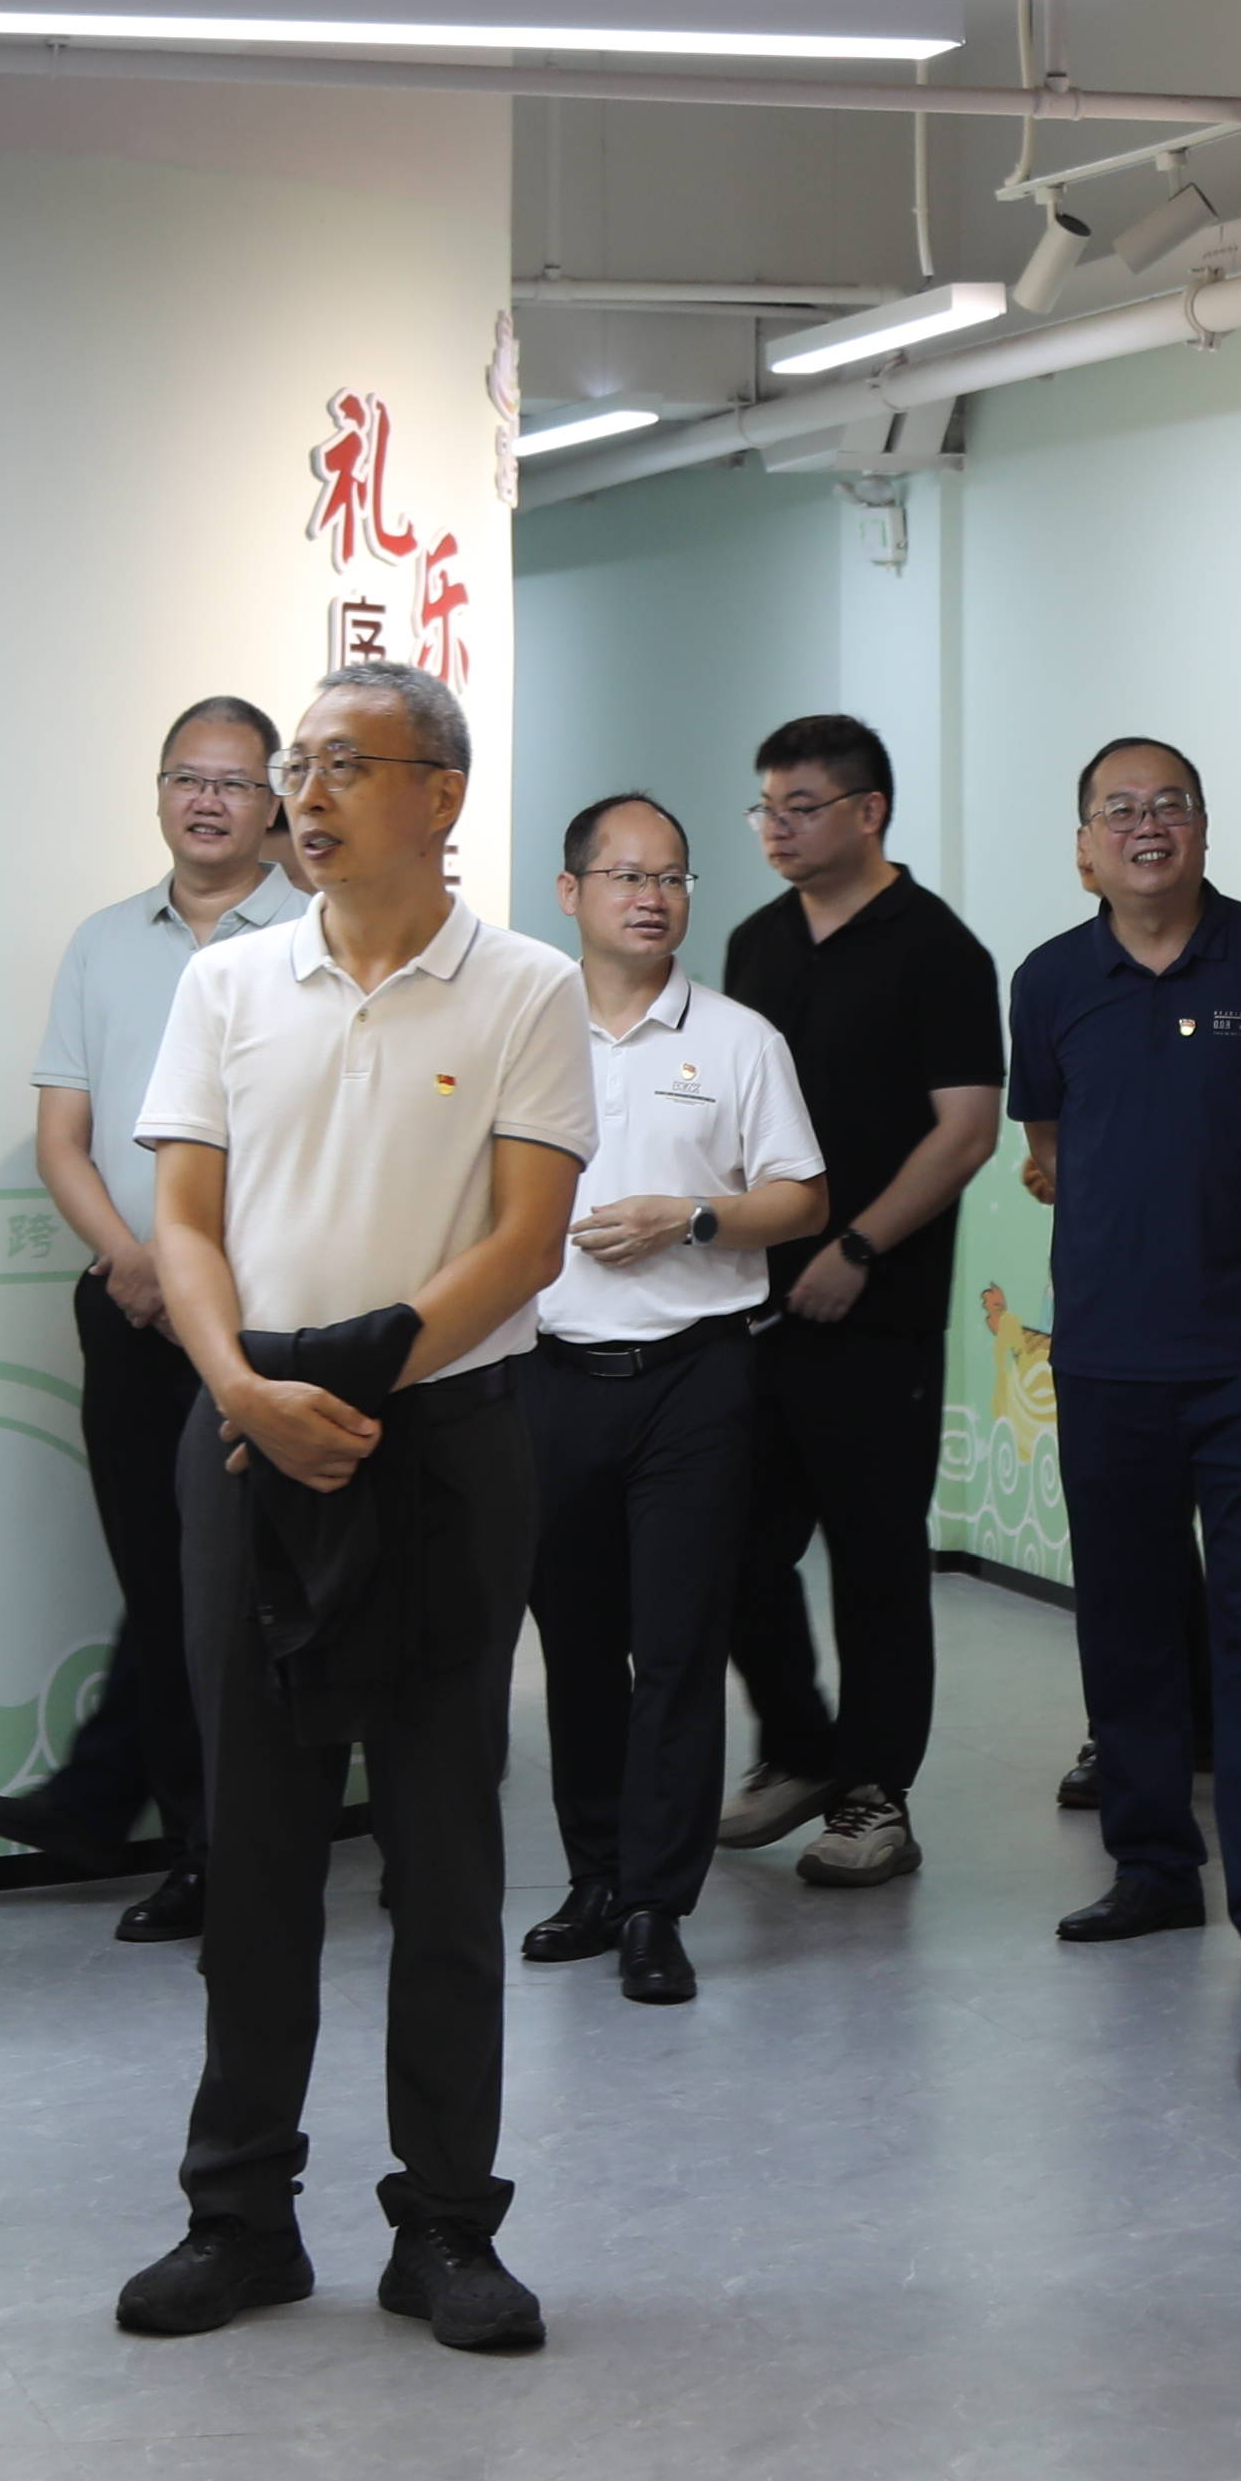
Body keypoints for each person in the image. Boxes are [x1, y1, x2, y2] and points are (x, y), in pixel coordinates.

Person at [111, 659, 586, 2354]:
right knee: (253, 1844)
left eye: (341, 767)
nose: (302, 796)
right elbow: (183, 1221)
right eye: (296, 767)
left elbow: (527, 1241)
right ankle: (238, 2217)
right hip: (248, 1438)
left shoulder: (525, 986)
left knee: (445, 1847)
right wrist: (242, 1389)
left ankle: (446, 2225)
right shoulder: (229, 983)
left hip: (444, 1445)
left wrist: (359, 1384)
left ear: (441, 794)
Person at [0, 697, 305, 1939]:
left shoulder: (317, 936)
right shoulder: (104, 943)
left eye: (235, 781)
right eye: (185, 777)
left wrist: (198, 1267)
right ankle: (198, 1851)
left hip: (269, 1314)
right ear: (159, 792)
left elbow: (320, 1141)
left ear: (274, 801)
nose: (208, 800)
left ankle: (260, 1843)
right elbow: (64, 1135)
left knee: (263, 1593)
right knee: (160, 1588)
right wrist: (131, 1258)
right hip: (128, 1308)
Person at [1011, 737, 1241, 1963]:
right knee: (1126, 1623)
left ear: (1204, 828)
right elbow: (1052, 1150)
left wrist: (1240, 1235)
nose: (1147, 825)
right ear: (1084, 846)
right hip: (1105, 1357)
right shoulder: (1050, 979)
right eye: (1120, 809)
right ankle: (1151, 1867)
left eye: (1172, 805)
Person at [518, 790, 826, 2008]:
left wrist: (689, 1217)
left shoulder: (740, 1039)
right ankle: (594, 1878)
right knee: (577, 1646)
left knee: (680, 1646)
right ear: (571, 892)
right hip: (551, 1375)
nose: (652, 897)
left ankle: (656, 1903)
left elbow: (802, 1198)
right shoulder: (521, 1030)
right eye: (626, 875)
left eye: (672, 877)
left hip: (696, 1377)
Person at [706, 712, 1002, 1893]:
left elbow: (966, 1130)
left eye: (802, 806)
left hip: (879, 1312)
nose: (776, 828)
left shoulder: (938, 948)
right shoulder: (755, 941)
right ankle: (798, 1744)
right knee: (732, 1546)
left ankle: (874, 1795)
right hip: (752, 1305)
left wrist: (861, 1245)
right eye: (765, 807)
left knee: (876, 1563)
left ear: (868, 812)